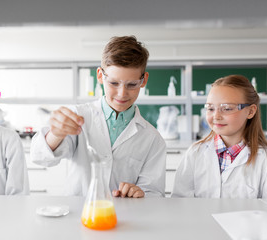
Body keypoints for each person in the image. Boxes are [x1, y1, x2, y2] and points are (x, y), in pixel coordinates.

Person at [30, 36, 166, 198]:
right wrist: (56, 134)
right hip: (78, 214)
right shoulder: (78, 116)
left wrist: (140, 193)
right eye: (114, 83)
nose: (122, 93)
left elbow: (154, 193)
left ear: (143, 80)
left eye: (131, 84)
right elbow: (40, 157)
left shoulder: (152, 139)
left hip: (125, 218)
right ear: (100, 76)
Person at [172, 75, 267, 198]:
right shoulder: (195, 153)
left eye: (226, 108)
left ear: (250, 111)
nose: (216, 116)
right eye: (210, 108)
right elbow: (179, 203)